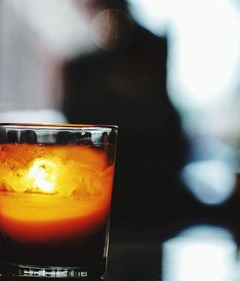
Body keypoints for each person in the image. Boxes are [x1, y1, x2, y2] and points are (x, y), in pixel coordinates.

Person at [63, 0, 190, 226]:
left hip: (151, 194)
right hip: (94, 189)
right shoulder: (81, 68)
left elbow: (165, 127)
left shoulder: (151, 50)